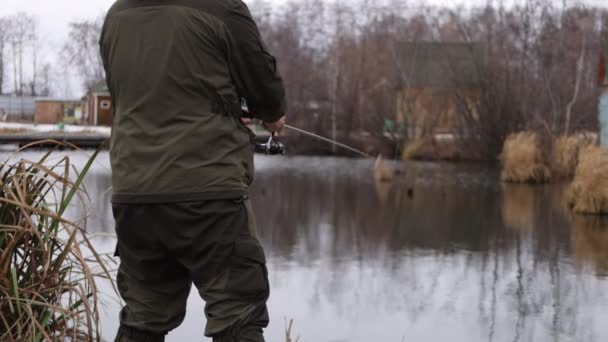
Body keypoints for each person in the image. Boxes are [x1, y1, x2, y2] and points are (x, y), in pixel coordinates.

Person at [99, 0, 286, 341]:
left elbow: (132, 94)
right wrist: (271, 114)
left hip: (134, 194)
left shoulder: (116, 15)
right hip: (208, 192)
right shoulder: (221, 8)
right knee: (238, 311)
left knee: (144, 315)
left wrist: (221, 104)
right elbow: (264, 89)